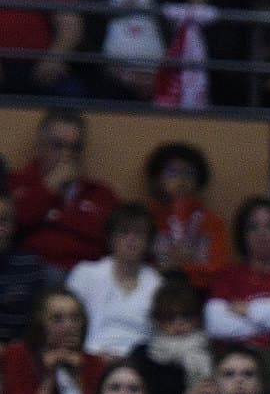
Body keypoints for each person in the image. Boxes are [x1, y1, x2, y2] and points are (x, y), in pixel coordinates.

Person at [7, 108, 117, 271]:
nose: (66, 155)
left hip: (86, 275)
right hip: (32, 275)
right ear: (40, 147)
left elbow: (110, 239)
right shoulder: (15, 184)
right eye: (57, 146)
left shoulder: (101, 194)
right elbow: (13, 224)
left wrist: (55, 218)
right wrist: (49, 187)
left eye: (74, 148)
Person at [1, 289, 106, 394]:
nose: (68, 326)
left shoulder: (94, 363)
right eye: (57, 319)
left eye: (75, 318)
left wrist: (78, 379)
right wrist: (48, 380)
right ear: (40, 324)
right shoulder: (16, 357)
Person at [66, 202, 161, 358]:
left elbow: (159, 338)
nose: (132, 240)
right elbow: (69, 324)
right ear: (110, 238)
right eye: (124, 232)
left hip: (138, 364)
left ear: (148, 241)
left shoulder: (158, 285)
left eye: (139, 233)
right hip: (89, 356)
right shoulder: (85, 274)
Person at [207, 198, 270, 345]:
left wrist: (248, 311)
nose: (262, 233)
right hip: (238, 359)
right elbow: (216, 324)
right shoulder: (227, 276)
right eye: (253, 227)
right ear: (242, 234)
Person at [143, 142, 231, 293]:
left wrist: (181, 267)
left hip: (200, 293)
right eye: (172, 172)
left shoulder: (211, 222)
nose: (181, 180)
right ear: (158, 179)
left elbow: (220, 268)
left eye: (189, 173)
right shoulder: (147, 218)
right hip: (153, 291)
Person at [0, 190, 54, 336]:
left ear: (13, 227)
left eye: (3, 221)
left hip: (16, 351)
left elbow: (37, 323)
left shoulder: (30, 266)